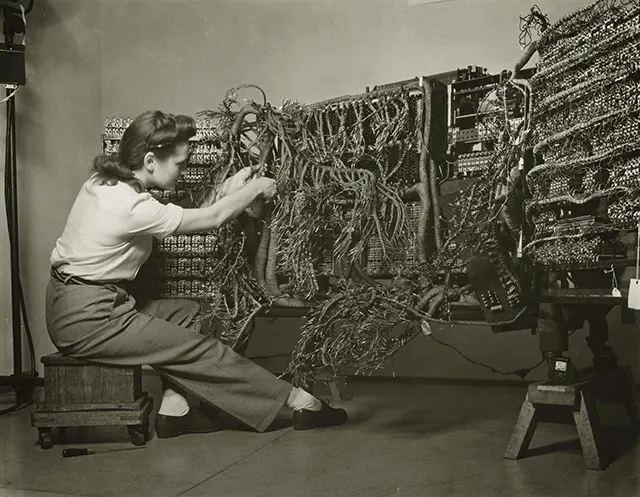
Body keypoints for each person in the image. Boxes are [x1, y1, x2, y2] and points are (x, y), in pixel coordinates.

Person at [45, 110, 347, 438]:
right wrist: (256, 187)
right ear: (149, 160)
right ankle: (301, 402)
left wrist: (227, 192)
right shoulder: (130, 206)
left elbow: (187, 212)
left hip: (88, 302)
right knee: (200, 348)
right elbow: (212, 218)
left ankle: (175, 411)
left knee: (191, 315)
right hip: (89, 319)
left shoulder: (106, 183)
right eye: (180, 164)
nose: (183, 171)